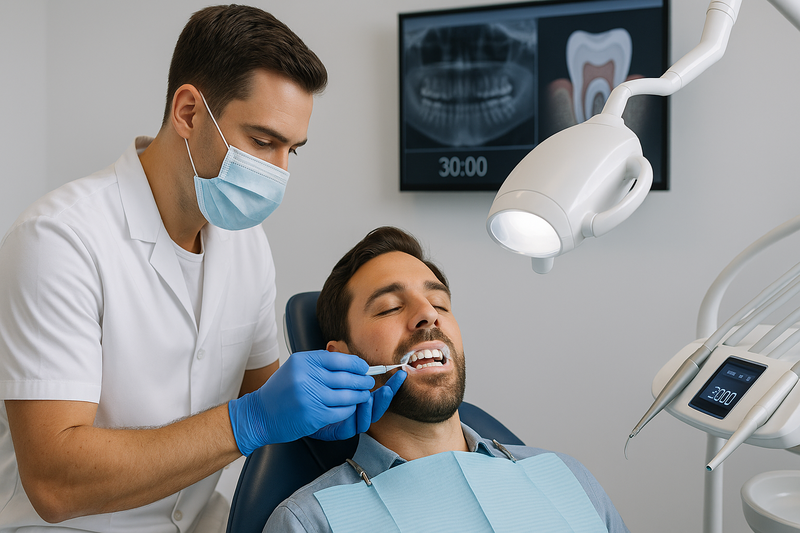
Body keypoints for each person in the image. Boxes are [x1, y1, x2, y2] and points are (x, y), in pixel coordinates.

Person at [0, 6, 402, 532]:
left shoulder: (245, 244)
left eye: (291, 151)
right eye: (262, 142)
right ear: (188, 112)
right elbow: (55, 484)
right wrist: (251, 421)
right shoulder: (59, 240)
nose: (278, 173)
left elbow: (263, 389)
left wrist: (325, 416)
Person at [264, 226, 630, 532]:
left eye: (440, 304)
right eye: (390, 307)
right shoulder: (309, 523)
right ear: (341, 357)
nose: (427, 315)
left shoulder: (567, 477)